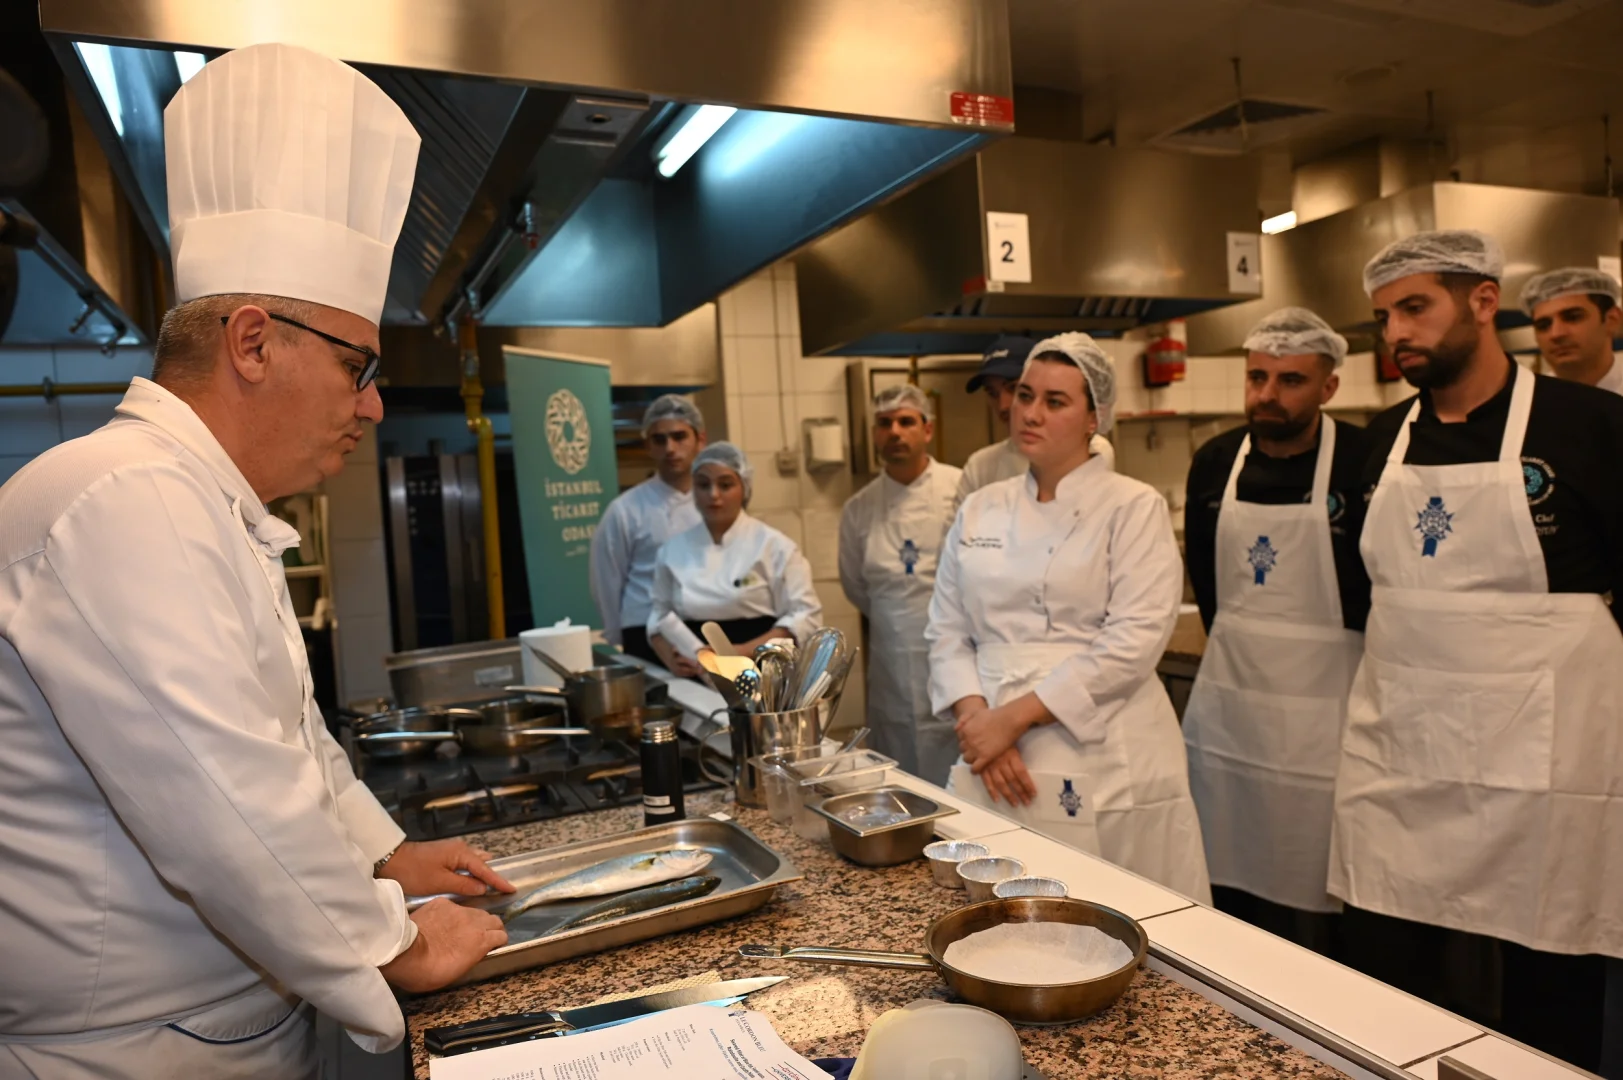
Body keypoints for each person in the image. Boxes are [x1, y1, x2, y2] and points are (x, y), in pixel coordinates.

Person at [0, 44, 510, 1077]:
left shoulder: (202, 505)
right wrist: (398, 941)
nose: (373, 404)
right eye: (357, 366)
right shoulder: (123, 500)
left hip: (213, 1029)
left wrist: (385, 854)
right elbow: (226, 799)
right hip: (126, 1056)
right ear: (251, 342)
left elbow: (290, 744)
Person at [1331, 230, 1623, 1075]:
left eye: (1414, 307)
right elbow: (1363, 594)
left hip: (1546, 761)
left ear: (1483, 301)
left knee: (1548, 982)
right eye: (1383, 316)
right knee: (1388, 977)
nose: (1396, 332)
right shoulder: (1378, 442)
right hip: (1403, 753)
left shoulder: (1592, 426)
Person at [927, 333, 1210, 902]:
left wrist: (1012, 720)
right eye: (1025, 395)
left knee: (1118, 910)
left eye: (1055, 402)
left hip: (1099, 744)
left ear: (1093, 418)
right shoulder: (981, 506)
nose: (1029, 413)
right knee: (1003, 910)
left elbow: (1133, 641)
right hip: (990, 747)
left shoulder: (1133, 506)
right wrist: (980, 723)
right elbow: (946, 629)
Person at [1181, 307, 1370, 954]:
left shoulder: (1361, 460)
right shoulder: (1214, 461)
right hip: (1233, 710)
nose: (1267, 394)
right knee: (1229, 883)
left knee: (1328, 892)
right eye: (1256, 377)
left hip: (1330, 713)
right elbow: (1207, 583)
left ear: (1328, 386)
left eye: (1290, 380)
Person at [838, 385, 963, 783]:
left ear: (928, 429)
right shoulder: (859, 508)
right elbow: (855, 585)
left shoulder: (962, 492)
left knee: (958, 773)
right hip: (889, 663)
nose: (894, 431)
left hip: (955, 658)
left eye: (906, 421)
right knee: (897, 772)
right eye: (884, 423)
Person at [647, 442, 823, 676]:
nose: (713, 494)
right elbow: (658, 616)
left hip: (762, 672)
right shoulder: (672, 551)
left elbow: (806, 616)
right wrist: (671, 658)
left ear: (744, 488)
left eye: (725, 485)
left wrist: (743, 651)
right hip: (698, 673)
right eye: (703, 485)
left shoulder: (774, 547)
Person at [590, 394, 706, 663]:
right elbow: (606, 581)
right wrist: (620, 634)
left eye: (679, 437)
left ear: (700, 440)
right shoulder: (625, 510)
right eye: (659, 440)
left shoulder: (714, 505)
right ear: (648, 446)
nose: (670, 448)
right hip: (642, 630)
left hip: (702, 629)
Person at [954, 336, 1115, 509]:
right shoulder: (980, 466)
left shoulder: (1094, 452)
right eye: (992, 393)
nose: (1003, 405)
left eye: (1015, 389)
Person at [1520, 266, 1623, 393]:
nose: (1556, 334)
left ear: (1612, 320)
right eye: (1543, 325)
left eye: (1573, 317)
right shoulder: (1529, 398)